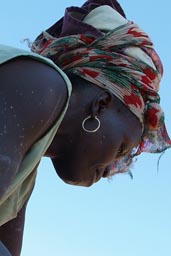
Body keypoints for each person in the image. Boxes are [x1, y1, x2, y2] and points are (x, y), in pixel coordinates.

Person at [0, 0, 170, 255]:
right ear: (101, 105)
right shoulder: (42, 85)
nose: (110, 170)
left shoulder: (25, 169)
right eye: (122, 149)